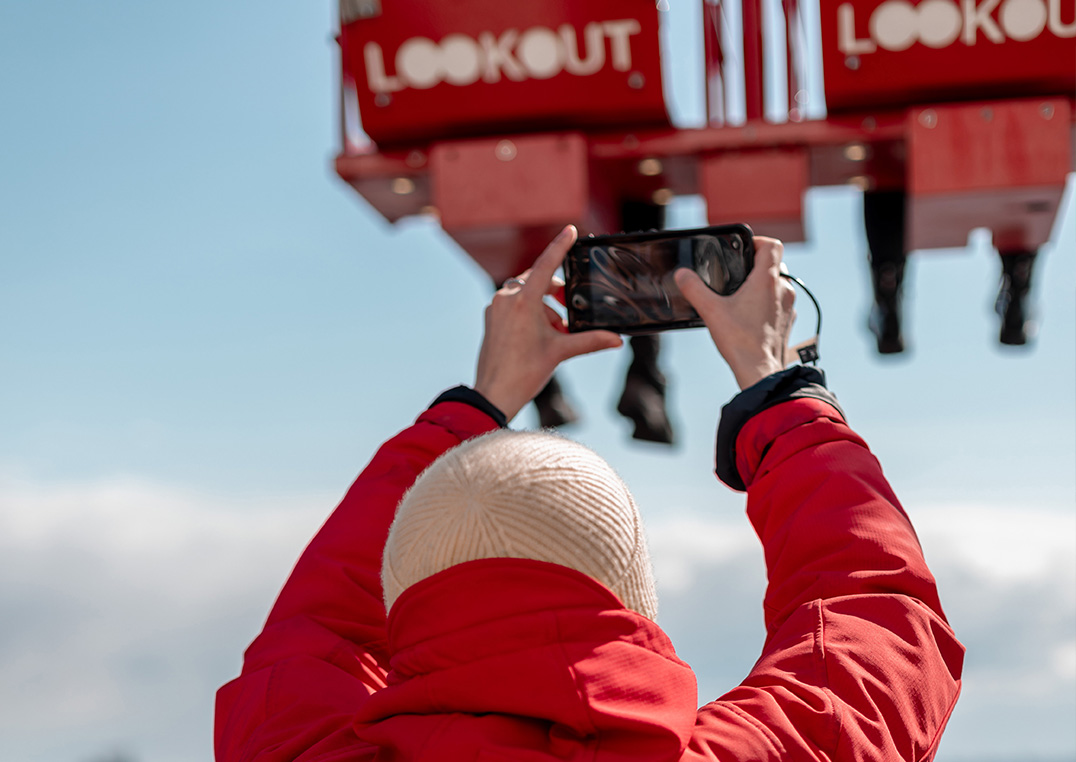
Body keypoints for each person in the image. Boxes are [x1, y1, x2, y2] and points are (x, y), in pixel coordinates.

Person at [215, 227, 964, 761]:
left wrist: (476, 406)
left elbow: (315, 632)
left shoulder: (292, 742)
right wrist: (777, 386)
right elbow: (876, 619)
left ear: (399, 592)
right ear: (635, 592)